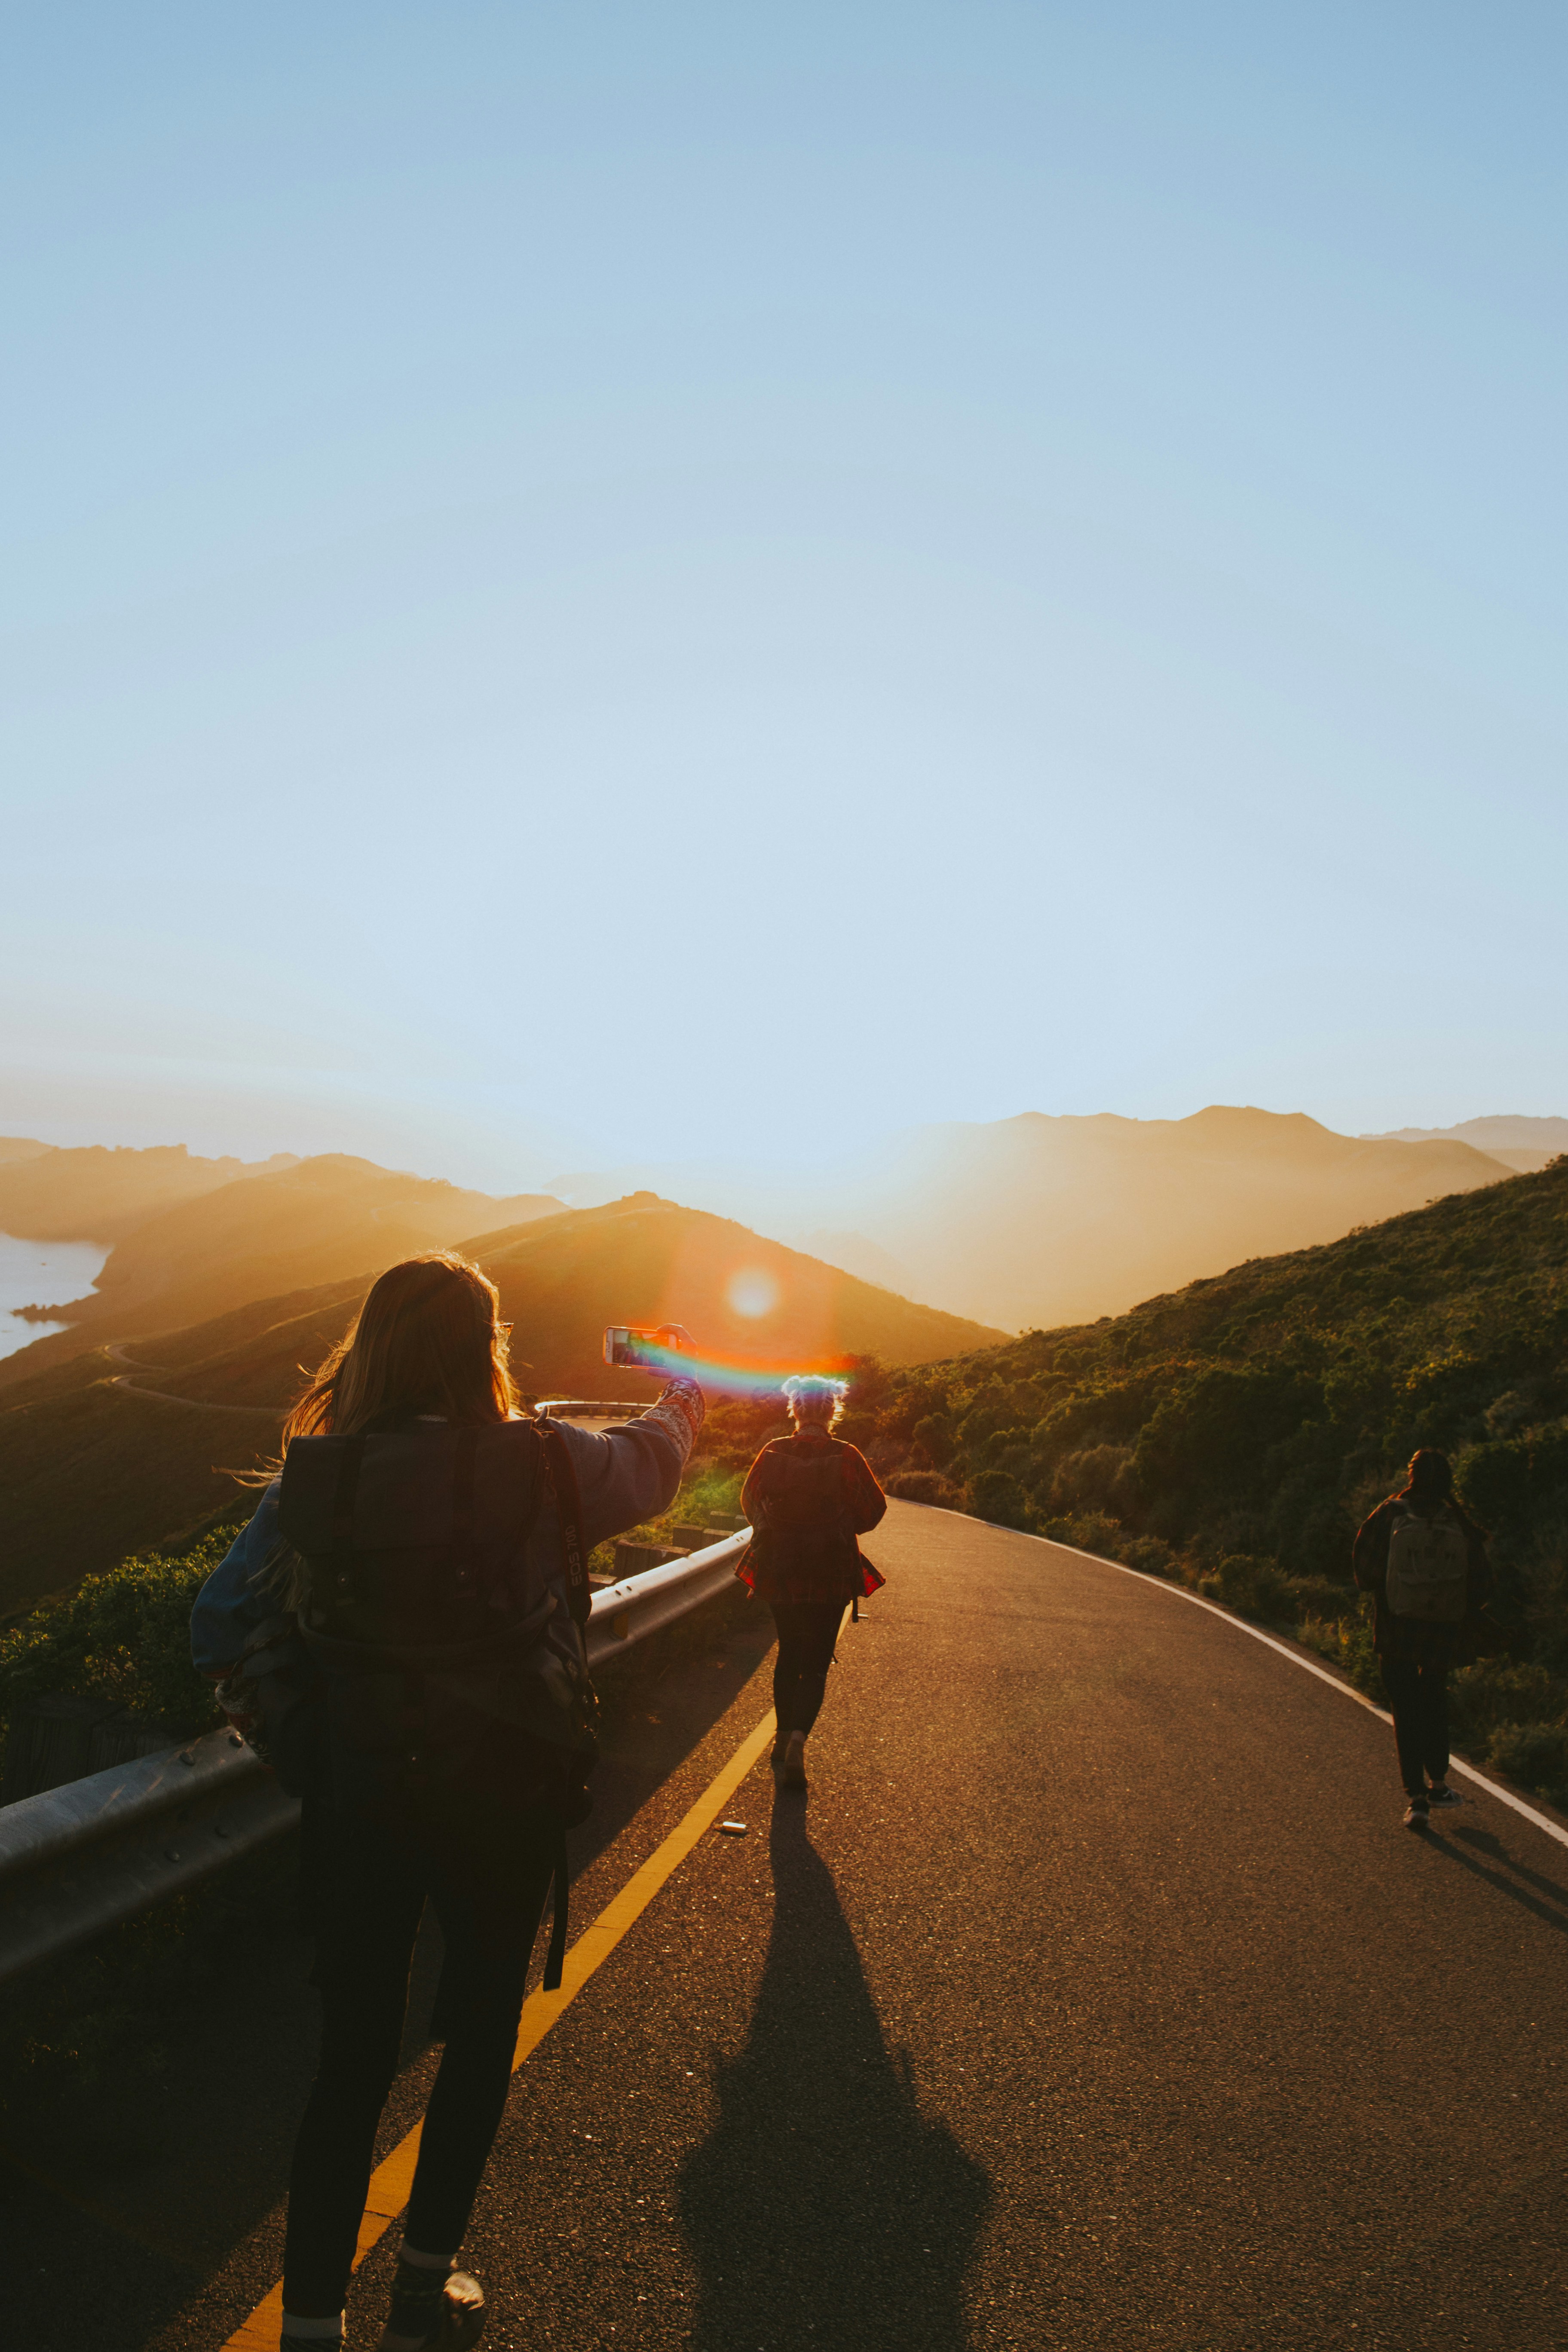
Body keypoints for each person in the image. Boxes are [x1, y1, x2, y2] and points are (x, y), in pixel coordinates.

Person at [190, 1253, 703, 2352]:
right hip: (507, 1791)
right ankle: (423, 2296)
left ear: (368, 1346)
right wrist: (682, 1390)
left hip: (363, 1798)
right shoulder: (545, 1460)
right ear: (486, 1349)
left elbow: (220, 1621)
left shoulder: (319, 1479)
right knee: (477, 2033)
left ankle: (312, 2326)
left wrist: (309, 1746)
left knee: (351, 2059)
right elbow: (654, 1466)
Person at [736, 1373, 887, 1789]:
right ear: (832, 1410)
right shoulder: (847, 1455)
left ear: (796, 1409)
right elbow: (875, 1510)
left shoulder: (772, 1451)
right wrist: (842, 1526)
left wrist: (777, 1531)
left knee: (789, 1655)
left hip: (781, 1567)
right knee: (817, 1663)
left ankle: (781, 1737)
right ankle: (800, 1740)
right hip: (832, 1568)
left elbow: (750, 1503)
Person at [1352, 1447, 1489, 1831]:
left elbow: (1364, 1572)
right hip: (1440, 1634)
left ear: (1410, 1476)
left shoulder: (1390, 1513)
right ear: (1447, 1480)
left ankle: (1416, 1800)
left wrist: (1396, 1590)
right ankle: (1440, 1784)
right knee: (1433, 1699)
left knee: (1405, 1708)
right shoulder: (1457, 1521)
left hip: (1395, 1631)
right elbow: (1482, 1583)